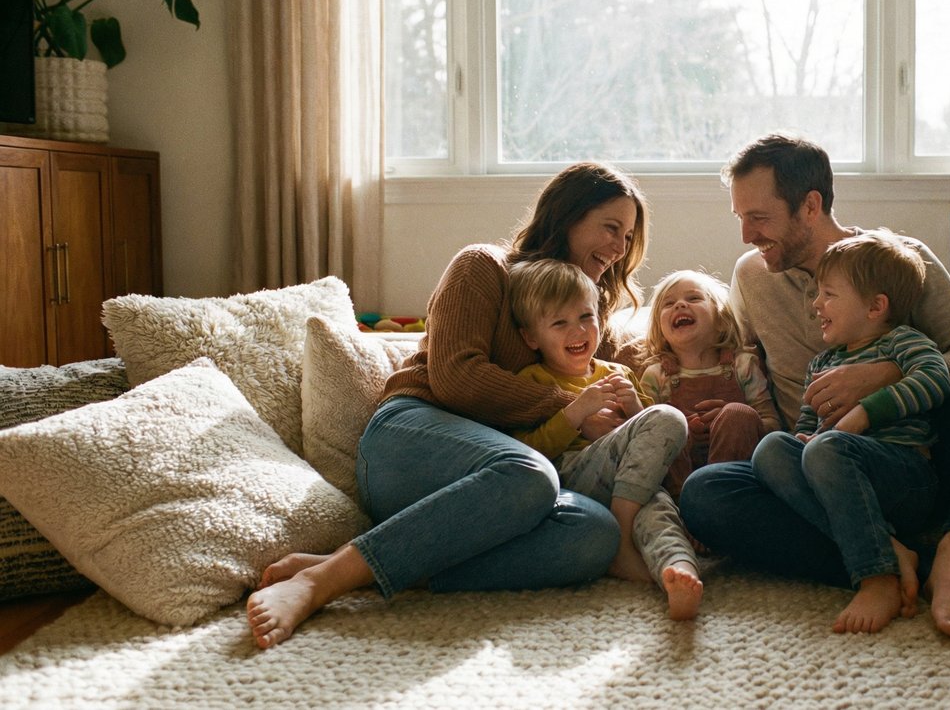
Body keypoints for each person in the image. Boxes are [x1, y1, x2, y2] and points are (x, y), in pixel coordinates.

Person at [679, 133, 950, 640]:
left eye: (759, 217)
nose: (746, 235)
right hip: (818, 476)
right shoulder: (752, 276)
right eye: (740, 218)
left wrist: (884, 374)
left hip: (916, 455)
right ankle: (906, 563)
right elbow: (743, 364)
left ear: (810, 206)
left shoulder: (900, 259)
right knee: (706, 494)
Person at [247, 162, 651, 649]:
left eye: (628, 237)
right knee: (532, 473)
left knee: (594, 532)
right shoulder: (484, 266)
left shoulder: (587, 311)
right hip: (410, 441)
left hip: (488, 498)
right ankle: (320, 584)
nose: (619, 248)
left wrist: (627, 401)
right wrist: (571, 404)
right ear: (567, 216)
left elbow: (601, 393)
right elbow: (457, 378)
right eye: (611, 228)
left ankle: (356, 565)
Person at [751, 230, 950, 634]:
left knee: (829, 450)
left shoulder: (905, 343)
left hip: (904, 477)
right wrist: (805, 439)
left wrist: (864, 413)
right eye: (816, 294)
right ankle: (891, 550)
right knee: (771, 448)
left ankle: (877, 577)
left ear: (876, 306)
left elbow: (937, 379)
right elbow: (809, 422)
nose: (815, 305)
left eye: (829, 294)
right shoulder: (821, 363)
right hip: (837, 475)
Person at [506, 258, 702, 620]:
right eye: (559, 323)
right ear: (531, 337)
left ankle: (678, 572)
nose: (577, 332)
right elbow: (529, 451)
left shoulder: (619, 372)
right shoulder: (532, 380)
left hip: (627, 484)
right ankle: (621, 538)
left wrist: (634, 405)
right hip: (574, 474)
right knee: (667, 417)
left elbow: (657, 442)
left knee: (658, 507)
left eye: (585, 317)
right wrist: (575, 413)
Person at [638, 269, 780, 496]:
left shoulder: (743, 365)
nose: (680, 305)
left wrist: (734, 422)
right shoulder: (656, 376)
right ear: (660, 330)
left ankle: (718, 498)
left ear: (721, 321)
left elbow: (772, 425)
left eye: (694, 298)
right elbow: (643, 439)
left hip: (736, 476)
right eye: (669, 303)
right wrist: (683, 431)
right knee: (666, 424)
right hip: (680, 480)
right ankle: (685, 509)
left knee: (737, 413)